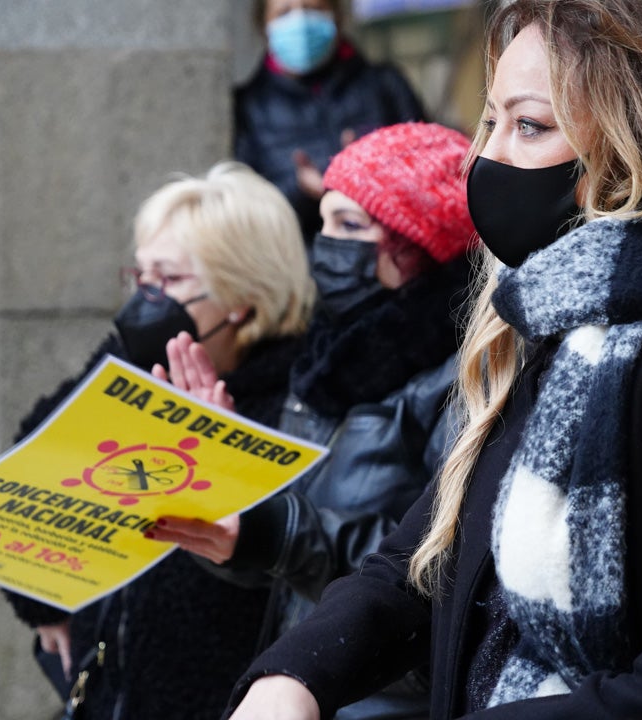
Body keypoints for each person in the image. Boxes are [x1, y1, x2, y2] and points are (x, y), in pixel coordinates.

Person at [221, 1, 642, 719]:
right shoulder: (548, 334)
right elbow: (423, 565)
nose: (486, 158)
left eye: (529, 125)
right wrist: (290, 680)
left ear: (638, 152)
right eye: (490, 121)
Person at [148, 122, 478, 720]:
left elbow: (430, 569)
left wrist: (276, 529)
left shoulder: (464, 376)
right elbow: (284, 574)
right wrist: (231, 478)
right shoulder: (331, 359)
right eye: (322, 220)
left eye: (350, 226)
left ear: (418, 242)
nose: (324, 244)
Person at [2, 162, 315, 720]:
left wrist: (225, 463)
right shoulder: (137, 372)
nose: (145, 300)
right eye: (141, 278)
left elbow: (283, 570)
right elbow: (32, 466)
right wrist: (40, 600)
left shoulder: (297, 404)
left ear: (241, 295)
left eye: (167, 282)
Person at [235, 0, 426, 240]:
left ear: (337, 16)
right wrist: (301, 189)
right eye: (284, 12)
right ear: (263, 25)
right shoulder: (249, 106)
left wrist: (373, 176)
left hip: (391, 253)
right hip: (301, 263)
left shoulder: (384, 86)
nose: (300, 21)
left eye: (313, 8)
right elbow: (246, 210)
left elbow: (430, 172)